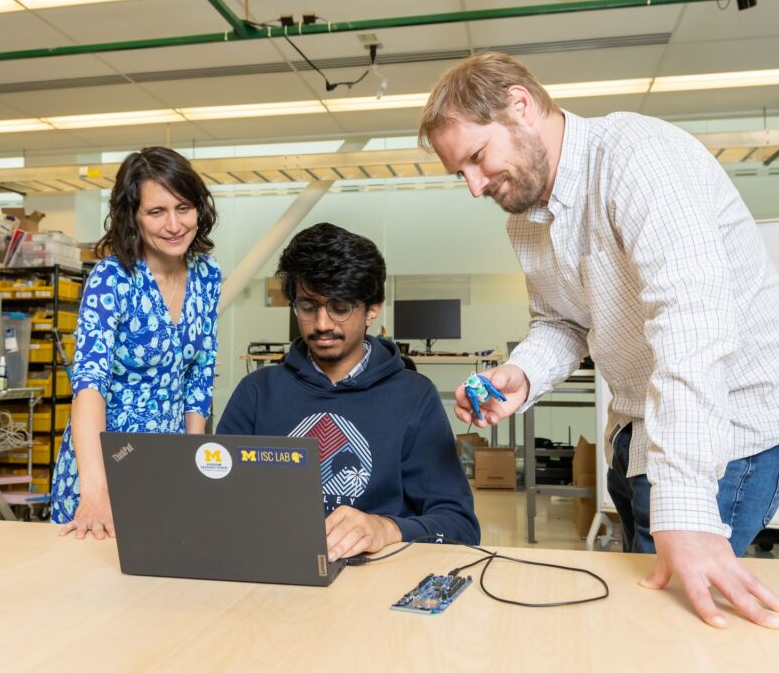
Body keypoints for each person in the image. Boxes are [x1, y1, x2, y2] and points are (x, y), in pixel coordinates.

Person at [419, 53, 779, 628]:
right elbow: (562, 323)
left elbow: (693, 326)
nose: (473, 186)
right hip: (641, 423)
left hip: (737, 418)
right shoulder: (526, 219)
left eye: (477, 158)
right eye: (459, 173)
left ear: (521, 105)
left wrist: (684, 505)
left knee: (682, 614)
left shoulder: (640, 159)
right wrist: (524, 373)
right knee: (648, 598)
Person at [217, 222, 480, 561]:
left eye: (340, 307)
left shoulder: (414, 397)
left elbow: (460, 526)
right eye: (308, 306)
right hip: (275, 577)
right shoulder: (256, 392)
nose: (323, 324)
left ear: (372, 309)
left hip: (375, 583)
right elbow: (216, 501)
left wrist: (386, 529)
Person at [51, 146, 221, 539]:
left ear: (199, 209)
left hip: (168, 462)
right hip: (106, 462)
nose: (174, 224)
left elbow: (200, 375)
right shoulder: (113, 279)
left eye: (183, 207)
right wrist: (95, 488)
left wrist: (192, 462)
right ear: (134, 217)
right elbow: (89, 386)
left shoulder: (207, 275)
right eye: (156, 212)